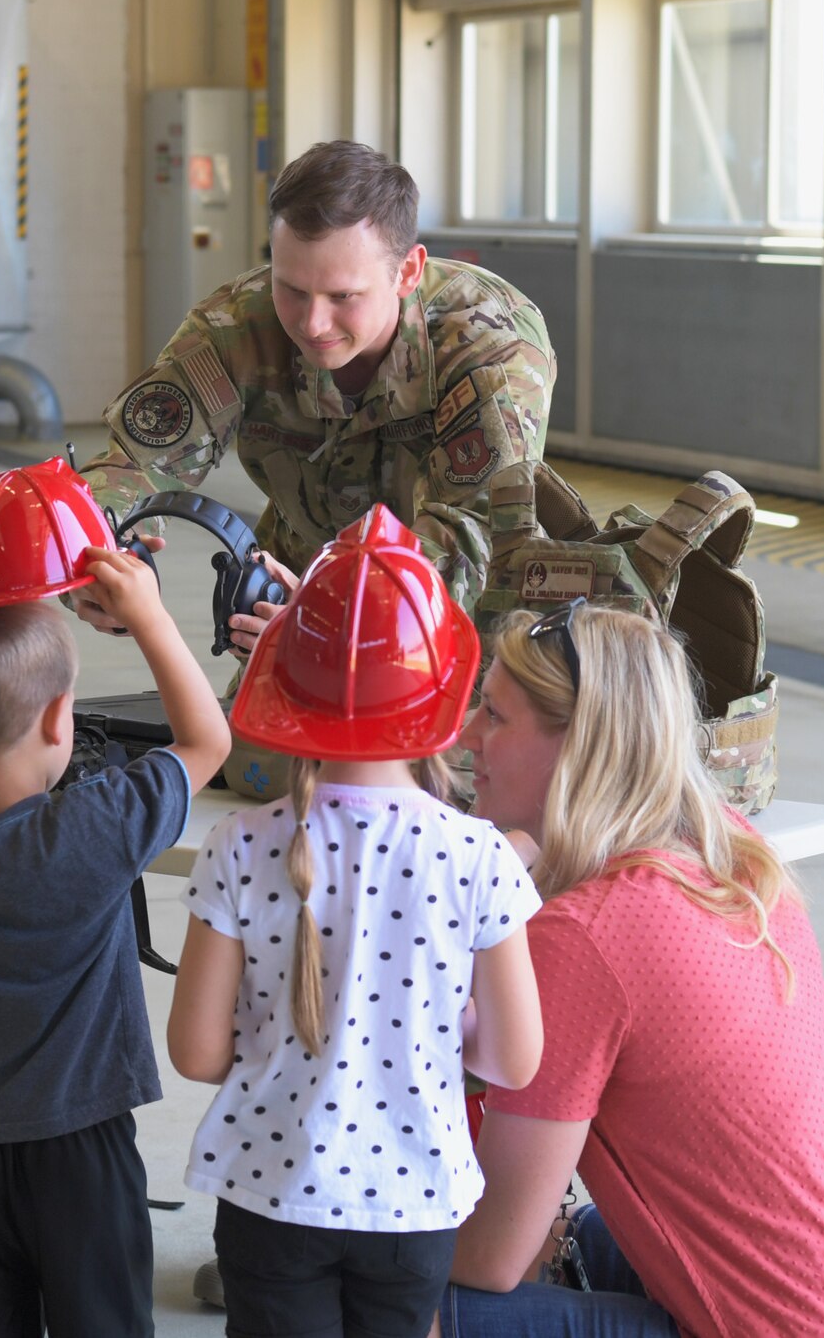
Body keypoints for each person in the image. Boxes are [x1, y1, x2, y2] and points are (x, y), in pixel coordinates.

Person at [441, 600, 824, 1337]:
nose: (468, 737)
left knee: (375, 1300)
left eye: (494, 716)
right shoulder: (731, 856)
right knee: (582, 1234)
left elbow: (491, 1255)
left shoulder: (582, 938)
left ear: (581, 744)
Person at [166, 506, 544, 1338]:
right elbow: (513, 1060)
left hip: (272, 1192)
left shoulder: (240, 843)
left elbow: (195, 1052)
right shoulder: (481, 856)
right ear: (443, 689)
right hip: (413, 1208)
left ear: (284, 683)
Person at [0, 529, 232, 1337]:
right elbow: (209, 739)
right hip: (82, 1148)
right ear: (58, 716)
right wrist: (148, 617)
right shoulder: (92, 830)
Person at [75, 140, 556, 653]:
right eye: (292, 289)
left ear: (407, 272)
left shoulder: (489, 342)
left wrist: (337, 615)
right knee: (243, 736)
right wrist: (97, 561)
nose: (312, 323)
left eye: (343, 296)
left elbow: (475, 532)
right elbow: (130, 467)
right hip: (288, 602)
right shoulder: (239, 325)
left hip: (448, 633)